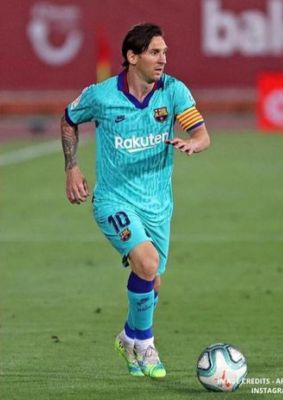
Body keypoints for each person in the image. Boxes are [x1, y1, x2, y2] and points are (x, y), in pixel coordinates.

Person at [61, 22, 210, 379]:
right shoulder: (101, 96)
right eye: (155, 52)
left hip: (157, 205)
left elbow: (202, 135)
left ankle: (127, 337)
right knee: (146, 262)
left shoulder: (173, 91)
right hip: (113, 201)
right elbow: (68, 120)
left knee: (152, 280)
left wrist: (194, 143)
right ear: (132, 56)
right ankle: (145, 343)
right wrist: (72, 167)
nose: (163, 59)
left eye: (165, 53)